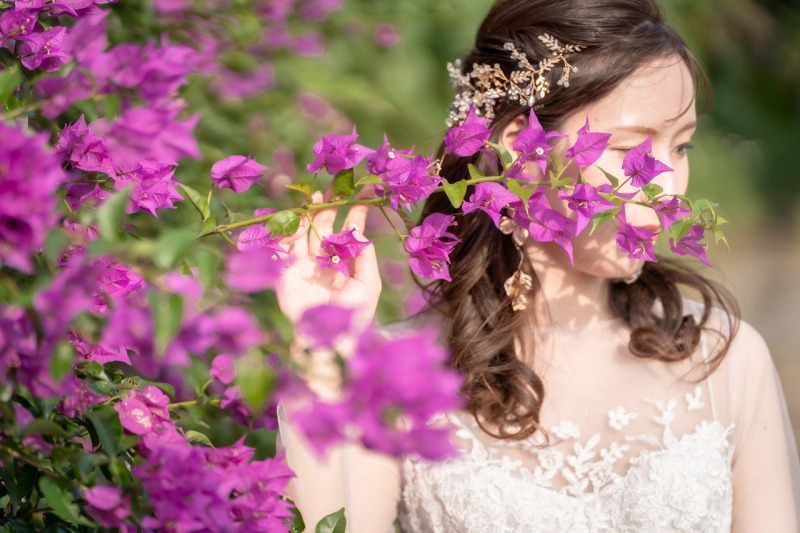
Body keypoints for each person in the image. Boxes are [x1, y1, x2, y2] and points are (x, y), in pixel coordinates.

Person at [275, 0, 800, 531]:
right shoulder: (396, 374)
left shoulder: (723, 359)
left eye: (682, 146)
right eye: (629, 150)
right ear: (522, 151)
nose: (669, 189)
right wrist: (323, 353)